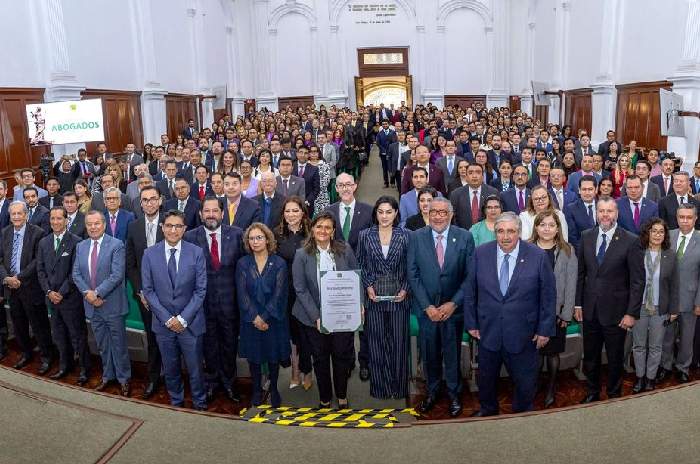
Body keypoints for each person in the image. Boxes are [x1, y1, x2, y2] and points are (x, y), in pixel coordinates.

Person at [465, 212, 556, 416]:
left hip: (524, 334)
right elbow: (470, 290)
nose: (505, 237)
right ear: (495, 232)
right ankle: (488, 410)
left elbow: (548, 296)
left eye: (511, 231)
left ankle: (522, 414)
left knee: (525, 383)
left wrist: (544, 330)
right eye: (500, 231)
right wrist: (471, 323)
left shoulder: (537, 256)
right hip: (488, 332)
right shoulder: (480, 253)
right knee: (486, 380)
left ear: (519, 232)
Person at [408, 197, 474, 417]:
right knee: (430, 355)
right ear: (427, 213)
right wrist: (427, 306)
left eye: (442, 212)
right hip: (427, 312)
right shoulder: (416, 238)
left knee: (452, 355)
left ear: (451, 214)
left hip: (453, 311)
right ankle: (433, 391)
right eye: (433, 212)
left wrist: (453, 303)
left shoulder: (465, 237)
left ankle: (454, 394)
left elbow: (470, 276)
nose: (437, 216)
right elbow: (412, 274)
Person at [575, 197, 644, 402]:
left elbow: (637, 281)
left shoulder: (631, 240)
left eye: (609, 211)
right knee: (591, 357)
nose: (605, 215)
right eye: (601, 211)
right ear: (596, 213)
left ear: (617, 214)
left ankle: (614, 394)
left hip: (617, 312)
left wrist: (631, 313)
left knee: (615, 358)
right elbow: (580, 274)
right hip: (590, 310)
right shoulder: (586, 236)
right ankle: (592, 392)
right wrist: (578, 303)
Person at [142, 210, 208, 410]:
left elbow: (200, 290)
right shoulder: (149, 254)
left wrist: (183, 319)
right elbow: (149, 290)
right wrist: (168, 320)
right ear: (162, 227)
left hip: (191, 324)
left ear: (184, 229)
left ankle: (199, 402)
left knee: (195, 369)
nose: (173, 230)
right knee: (170, 368)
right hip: (164, 326)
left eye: (178, 226)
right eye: (169, 225)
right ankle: (176, 402)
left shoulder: (196, 252)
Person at [292, 212, 359, 408]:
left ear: (333, 231)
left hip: (341, 315)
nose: (323, 231)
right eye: (319, 226)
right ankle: (325, 397)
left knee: (341, 356)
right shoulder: (301, 254)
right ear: (312, 229)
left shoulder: (344, 250)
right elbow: (300, 288)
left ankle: (342, 395)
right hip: (312, 318)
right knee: (320, 359)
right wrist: (316, 317)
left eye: (327, 227)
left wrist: (359, 306)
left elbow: (356, 277)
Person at [184, 196, 244, 402]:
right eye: (207, 211)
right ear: (200, 214)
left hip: (230, 304)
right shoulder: (190, 237)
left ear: (222, 213)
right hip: (202, 306)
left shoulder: (237, 235)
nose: (211, 214)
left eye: (215, 211)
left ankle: (229, 383)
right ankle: (210, 382)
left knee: (229, 345)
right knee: (208, 346)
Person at [72, 210, 132, 396]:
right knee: (103, 345)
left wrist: (96, 293)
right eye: (89, 224)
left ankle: (124, 379)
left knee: (119, 344)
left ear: (104, 225)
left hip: (111, 304)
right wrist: (88, 295)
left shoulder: (116, 245)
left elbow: (116, 275)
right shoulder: (81, 246)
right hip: (92, 306)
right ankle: (108, 376)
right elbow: (76, 274)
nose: (93, 227)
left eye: (96, 223)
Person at [356, 196, 410, 399]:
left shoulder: (406, 235)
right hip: (374, 299)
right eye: (381, 212)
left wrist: (405, 289)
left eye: (389, 212)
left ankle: (399, 388)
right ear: (375, 214)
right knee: (377, 343)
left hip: (400, 299)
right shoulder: (364, 235)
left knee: (398, 343)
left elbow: (411, 266)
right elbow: (360, 263)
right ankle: (380, 388)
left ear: (396, 213)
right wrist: (368, 285)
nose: (385, 216)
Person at [236, 223, 290, 407]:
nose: (255, 242)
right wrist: (255, 317)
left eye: (259, 237)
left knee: (273, 356)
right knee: (255, 357)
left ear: (267, 239)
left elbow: (280, 294)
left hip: (273, 319)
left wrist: (265, 317)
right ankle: (257, 390)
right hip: (250, 320)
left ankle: (274, 388)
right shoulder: (243, 263)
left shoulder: (279, 263)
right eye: (251, 238)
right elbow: (241, 294)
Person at [529, 211, 577, 408]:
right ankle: (534, 385)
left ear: (557, 228)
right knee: (534, 353)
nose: (546, 229)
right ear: (536, 228)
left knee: (551, 354)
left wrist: (567, 314)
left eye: (551, 225)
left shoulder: (568, 250)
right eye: (543, 225)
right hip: (530, 312)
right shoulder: (527, 248)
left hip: (556, 313)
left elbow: (571, 283)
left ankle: (551, 387)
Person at [36, 206, 90, 384]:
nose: (55, 222)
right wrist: (49, 292)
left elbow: (75, 272)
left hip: (70, 298)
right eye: (53, 219)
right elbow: (40, 270)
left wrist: (60, 292)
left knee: (78, 336)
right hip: (52, 298)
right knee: (58, 335)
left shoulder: (76, 241)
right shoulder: (44, 242)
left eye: (59, 218)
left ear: (66, 220)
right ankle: (64, 366)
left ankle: (84, 369)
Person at [0, 201, 52, 372]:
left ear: (26, 215)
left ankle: (46, 357)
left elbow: (38, 260)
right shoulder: (5, 232)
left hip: (30, 287)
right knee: (19, 325)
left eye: (19, 214)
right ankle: (26, 354)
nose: (16, 217)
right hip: (12, 289)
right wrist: (7, 278)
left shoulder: (38, 233)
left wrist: (19, 277)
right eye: (13, 214)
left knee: (39, 326)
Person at [125, 186, 165, 399]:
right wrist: (140, 291)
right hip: (144, 297)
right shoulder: (134, 227)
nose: (149, 203)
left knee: (171, 337)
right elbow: (130, 263)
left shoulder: (170, 223)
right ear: (140, 203)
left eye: (153, 199)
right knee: (152, 337)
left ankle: (173, 375)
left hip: (169, 296)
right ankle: (153, 378)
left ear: (160, 201)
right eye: (145, 200)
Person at [631, 218, 678, 393]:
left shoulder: (670, 255)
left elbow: (675, 284)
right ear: (647, 233)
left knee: (656, 346)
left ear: (665, 235)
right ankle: (640, 377)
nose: (657, 234)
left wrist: (674, 309)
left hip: (660, 308)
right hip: (640, 307)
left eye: (661, 231)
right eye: (654, 231)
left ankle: (650, 379)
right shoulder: (638, 253)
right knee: (639, 345)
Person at [658, 204, 700, 384]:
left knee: (686, 338)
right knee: (666, 337)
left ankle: (683, 367)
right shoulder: (668, 236)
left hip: (691, 300)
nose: (685, 221)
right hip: (668, 300)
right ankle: (665, 366)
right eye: (681, 217)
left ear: (695, 219)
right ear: (676, 218)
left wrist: (699, 302)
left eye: (689, 217)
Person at [274, 196, 313, 390]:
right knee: (292, 335)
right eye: (287, 211)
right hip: (286, 292)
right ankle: (295, 371)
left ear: (303, 213)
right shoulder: (277, 235)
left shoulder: (312, 234)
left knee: (307, 334)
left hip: (308, 292)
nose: (291, 215)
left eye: (295, 211)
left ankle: (307, 371)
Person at [450, 162, 499, 230]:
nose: (474, 176)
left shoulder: (492, 192)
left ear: (482, 177)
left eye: (478, 173)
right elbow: (452, 217)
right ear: (466, 177)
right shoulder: (456, 194)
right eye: (470, 173)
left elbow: (497, 215)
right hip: (463, 234)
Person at [565, 175, 598, 251]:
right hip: (581, 252)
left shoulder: (603, 206)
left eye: (590, 189)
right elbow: (572, 236)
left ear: (596, 190)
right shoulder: (571, 209)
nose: (587, 193)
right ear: (579, 190)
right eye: (584, 189)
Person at [308, 145, 331, 216]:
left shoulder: (324, 165)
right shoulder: (306, 165)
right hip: (308, 196)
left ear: (319, 153)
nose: (313, 153)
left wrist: (315, 189)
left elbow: (326, 181)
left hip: (322, 196)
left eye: (315, 151)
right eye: (311, 152)